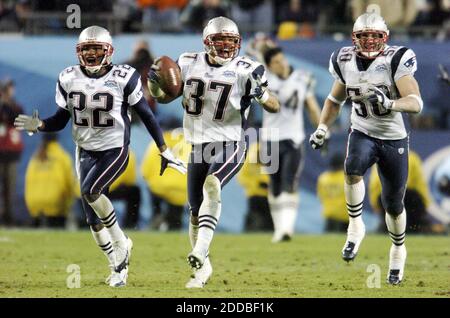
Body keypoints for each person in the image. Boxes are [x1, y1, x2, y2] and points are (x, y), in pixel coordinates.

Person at [14, 26, 186, 287]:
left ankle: (121, 243)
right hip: (84, 150)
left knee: (91, 191)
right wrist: (39, 125)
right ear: (78, 51)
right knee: (93, 221)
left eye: (97, 48)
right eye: (87, 49)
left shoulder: (124, 76)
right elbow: (60, 120)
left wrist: (164, 149)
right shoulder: (68, 77)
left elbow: (147, 115)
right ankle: (118, 267)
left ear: (109, 51)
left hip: (115, 148)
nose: (92, 53)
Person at [148, 16, 280, 288]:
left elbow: (274, 106)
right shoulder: (187, 62)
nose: (225, 47)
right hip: (198, 145)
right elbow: (165, 97)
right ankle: (203, 268)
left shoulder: (247, 69)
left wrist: (262, 96)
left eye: (231, 42)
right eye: (220, 41)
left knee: (213, 183)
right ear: (207, 42)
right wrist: (153, 85)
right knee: (194, 211)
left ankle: (199, 251)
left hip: (231, 142)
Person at [309, 11, 423, 285]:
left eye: (375, 36)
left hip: (394, 137)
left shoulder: (396, 59)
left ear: (385, 38)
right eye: (364, 36)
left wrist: (390, 103)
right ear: (354, 38)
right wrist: (322, 128)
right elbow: (333, 101)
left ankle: (398, 250)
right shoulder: (344, 59)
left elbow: (416, 103)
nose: (370, 40)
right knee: (352, 166)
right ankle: (355, 225)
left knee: (393, 204)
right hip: (363, 130)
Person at [261, 46, 321, 242]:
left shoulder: (303, 77)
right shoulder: (264, 80)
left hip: (293, 137)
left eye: (282, 59)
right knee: (274, 185)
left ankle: (286, 228)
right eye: (276, 62)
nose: (281, 64)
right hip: (269, 138)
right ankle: (279, 229)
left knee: (290, 182)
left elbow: (312, 107)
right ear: (269, 65)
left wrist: (322, 129)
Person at [141, 118, 191, 231]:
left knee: (153, 189)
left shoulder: (158, 143)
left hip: (160, 188)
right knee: (175, 220)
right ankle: (173, 225)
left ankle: (157, 214)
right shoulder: (190, 144)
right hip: (182, 189)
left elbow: (145, 170)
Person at [369, 150, 434, 233]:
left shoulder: (380, 158)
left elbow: (374, 184)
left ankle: (387, 230)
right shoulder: (412, 157)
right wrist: (425, 203)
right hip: (408, 198)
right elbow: (419, 183)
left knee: (390, 224)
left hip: (386, 196)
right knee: (412, 225)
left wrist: (375, 203)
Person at [25, 133, 76, 228]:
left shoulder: (35, 158)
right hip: (55, 204)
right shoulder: (63, 157)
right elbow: (70, 184)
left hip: (33, 203)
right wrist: (68, 204)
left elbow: (28, 181)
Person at [0, 78, 23, 226]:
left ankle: (9, 217)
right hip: (1, 151)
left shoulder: (15, 106)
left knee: (10, 188)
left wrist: (6, 104)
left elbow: (17, 117)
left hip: (11, 154)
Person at [237, 141, 272, 232]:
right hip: (254, 195)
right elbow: (241, 178)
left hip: (269, 196)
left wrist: (269, 184)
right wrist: (257, 184)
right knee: (254, 218)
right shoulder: (249, 163)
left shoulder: (271, 159)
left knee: (269, 220)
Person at [317, 152, 349, 233]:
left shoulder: (323, 178)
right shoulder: (347, 178)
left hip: (329, 216)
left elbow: (320, 197)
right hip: (345, 217)